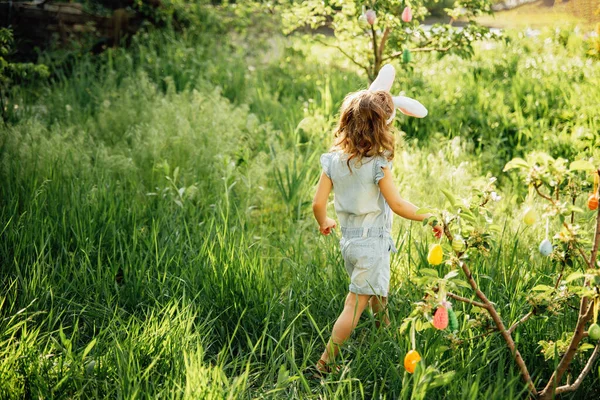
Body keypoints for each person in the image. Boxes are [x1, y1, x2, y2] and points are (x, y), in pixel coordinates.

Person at [311, 88, 442, 375]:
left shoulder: (333, 161)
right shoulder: (377, 163)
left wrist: (325, 222)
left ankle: (385, 335)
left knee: (377, 291)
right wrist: (431, 217)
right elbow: (397, 204)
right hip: (372, 244)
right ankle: (325, 362)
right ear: (381, 128)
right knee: (353, 305)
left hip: (350, 242)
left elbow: (318, 203)